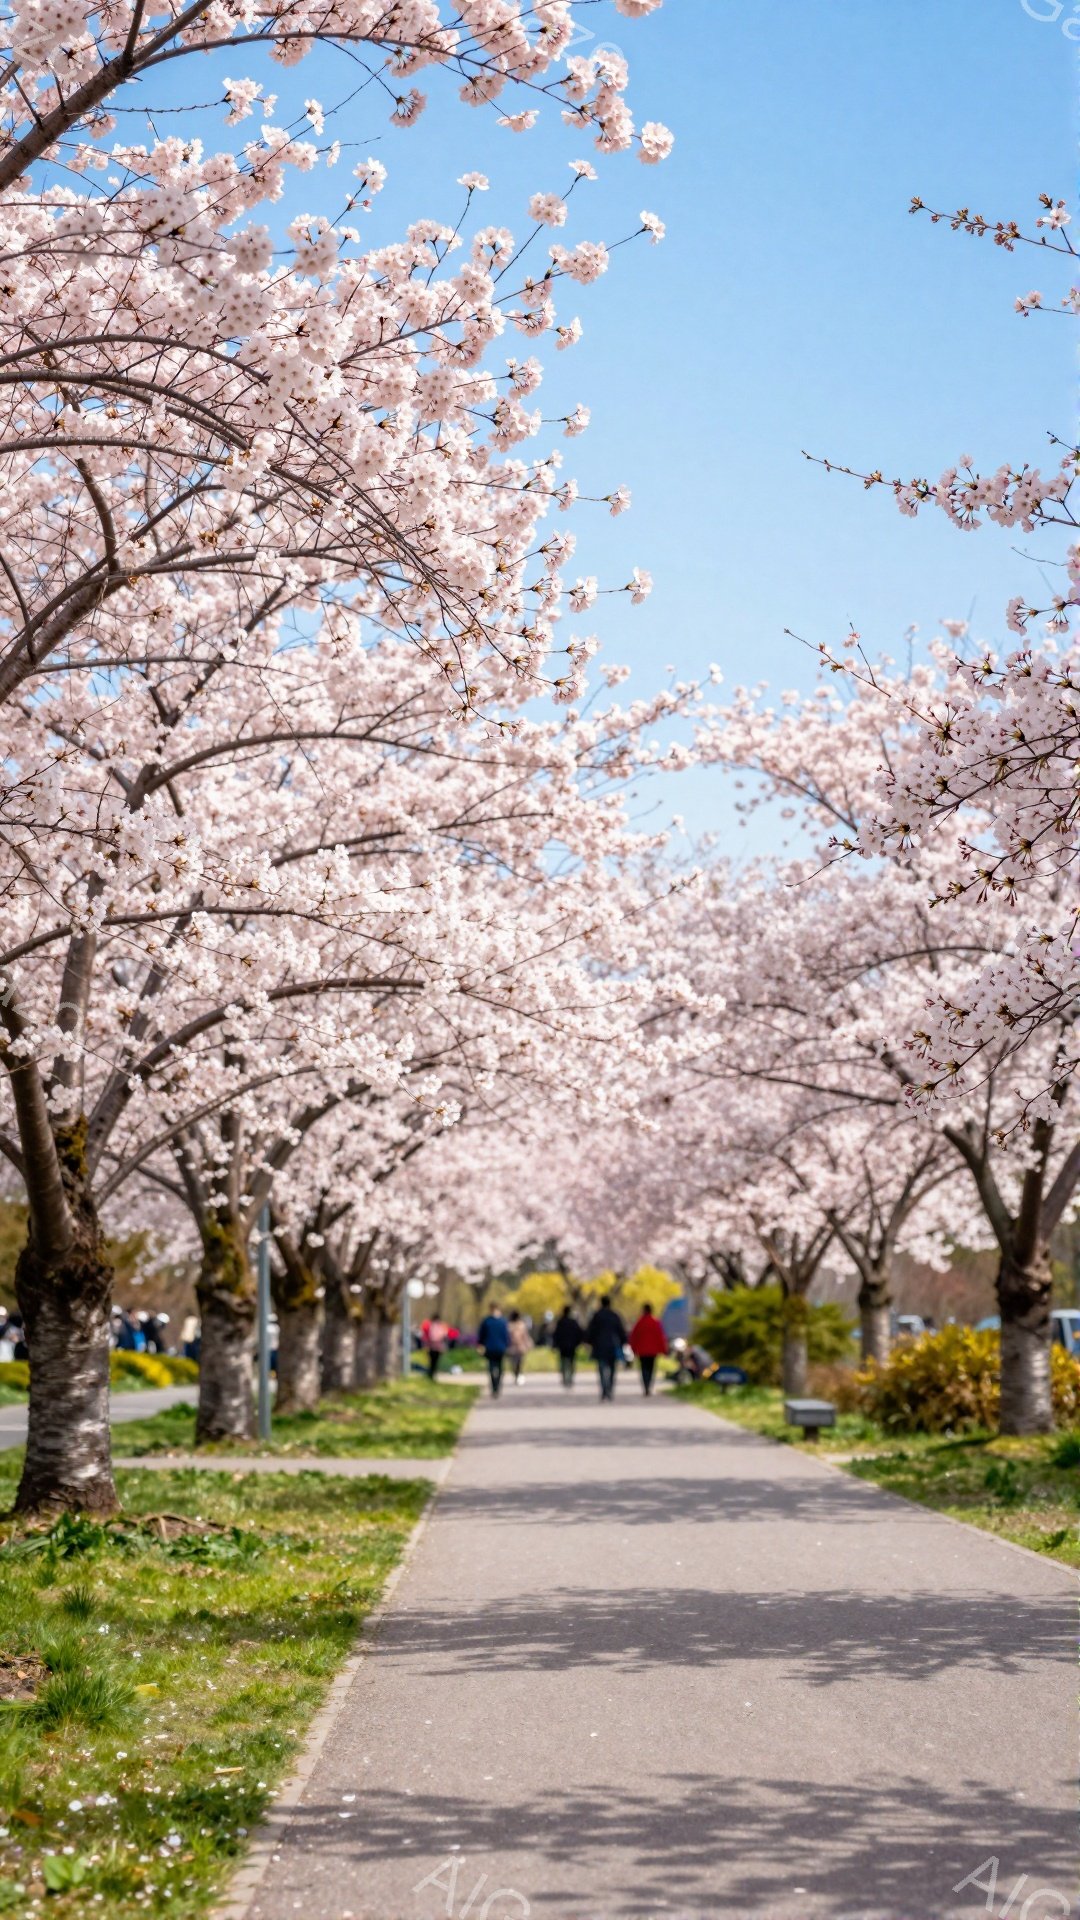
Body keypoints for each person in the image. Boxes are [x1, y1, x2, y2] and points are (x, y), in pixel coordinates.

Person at [587, 1294, 627, 1402]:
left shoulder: (597, 1316)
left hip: (599, 1346)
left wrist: (589, 1342)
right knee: (612, 1368)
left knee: (601, 1368)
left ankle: (604, 1389)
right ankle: (609, 1388)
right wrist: (623, 1341)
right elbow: (621, 1331)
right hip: (612, 1346)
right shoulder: (614, 1315)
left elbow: (591, 1331)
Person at [628, 1303, 669, 1396]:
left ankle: (646, 1385)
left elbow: (633, 1337)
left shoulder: (639, 1323)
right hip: (653, 1351)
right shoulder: (655, 1323)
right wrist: (664, 1350)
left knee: (644, 1369)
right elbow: (661, 1337)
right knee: (651, 1369)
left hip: (642, 1351)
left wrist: (633, 1349)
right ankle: (649, 1385)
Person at [476, 1303, 511, 1397]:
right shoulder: (503, 1322)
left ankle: (494, 1386)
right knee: (500, 1367)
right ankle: (497, 1385)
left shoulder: (487, 1321)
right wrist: (508, 1345)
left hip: (490, 1348)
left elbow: (481, 1335)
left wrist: (480, 1345)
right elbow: (507, 1336)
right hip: (501, 1348)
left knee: (491, 1367)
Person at [552, 1305, 585, 1388]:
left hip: (562, 1346)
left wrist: (555, 1344)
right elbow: (579, 1333)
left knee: (563, 1362)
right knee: (571, 1362)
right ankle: (570, 1378)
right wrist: (578, 1342)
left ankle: (565, 1378)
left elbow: (556, 1334)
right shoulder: (573, 1322)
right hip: (572, 1345)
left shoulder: (560, 1322)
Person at [506, 1309, 533, 1385]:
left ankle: (517, 1375)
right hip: (519, 1347)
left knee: (514, 1363)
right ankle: (518, 1375)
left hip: (513, 1347)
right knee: (519, 1363)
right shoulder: (521, 1325)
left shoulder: (509, 1326)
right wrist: (528, 1344)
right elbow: (525, 1336)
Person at [424, 1314, 449, 1381]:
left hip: (432, 1347)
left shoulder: (430, 1325)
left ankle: (431, 1374)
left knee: (432, 1362)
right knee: (434, 1362)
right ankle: (432, 1374)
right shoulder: (440, 1326)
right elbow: (444, 1335)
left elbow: (428, 1336)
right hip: (437, 1347)